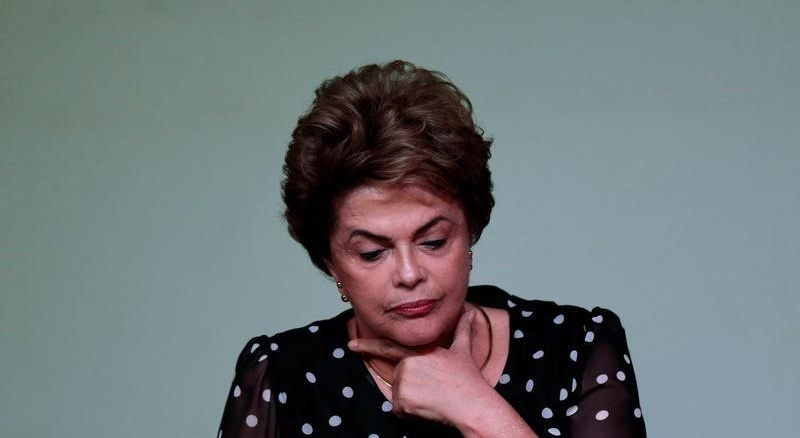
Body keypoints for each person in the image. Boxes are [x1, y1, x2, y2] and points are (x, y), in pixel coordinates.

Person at [218, 60, 647, 437]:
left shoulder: (575, 348)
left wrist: (478, 410)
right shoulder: (282, 376)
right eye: (372, 252)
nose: (409, 273)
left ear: (471, 230)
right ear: (329, 261)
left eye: (433, 241)